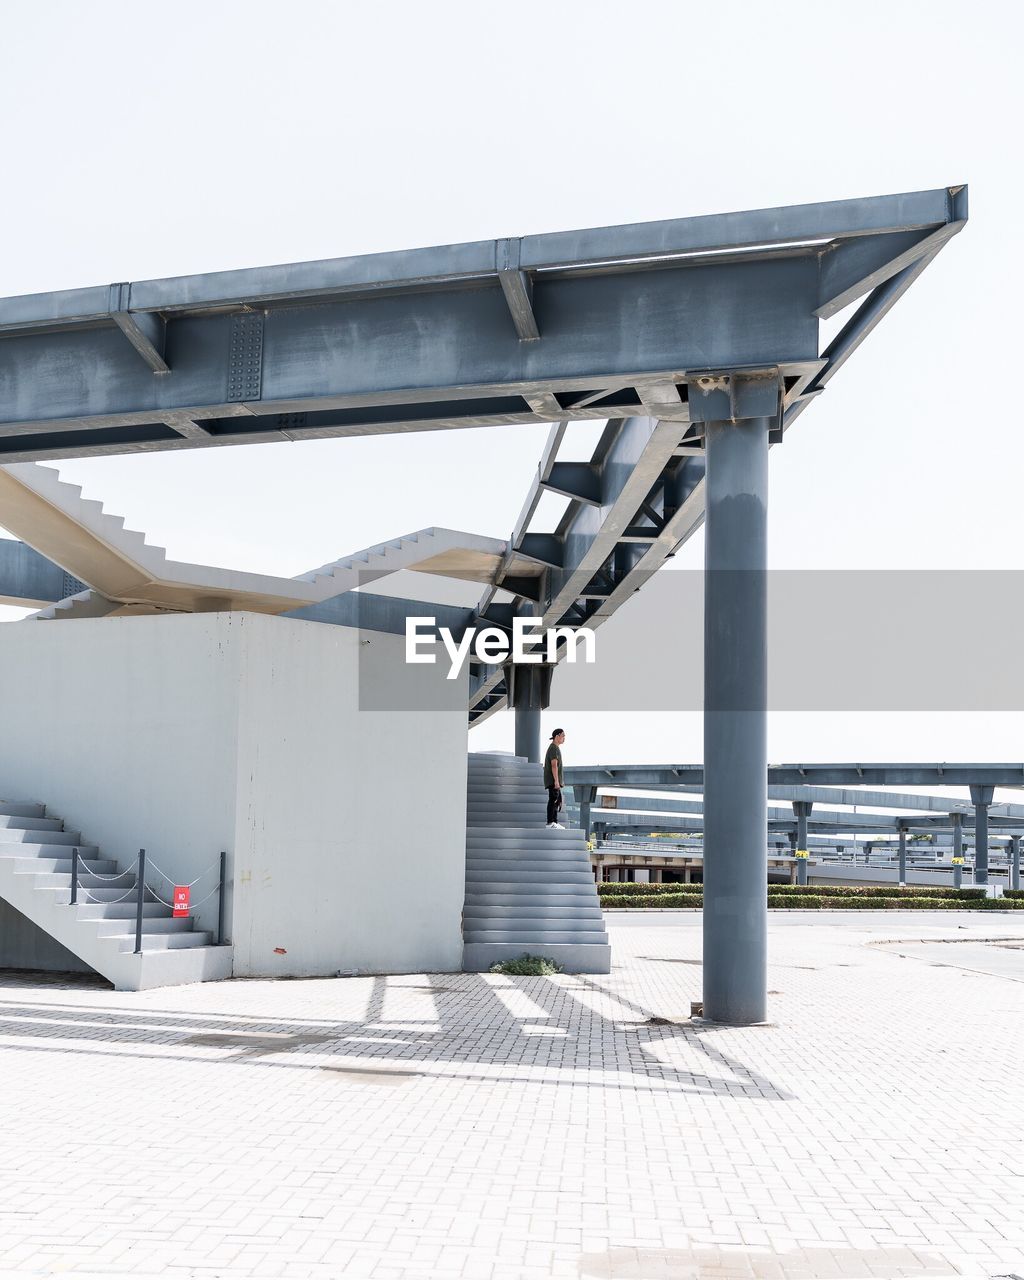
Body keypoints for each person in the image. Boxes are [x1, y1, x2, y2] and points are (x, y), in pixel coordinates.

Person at [544, 728, 566, 828]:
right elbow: (554, 765)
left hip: (555, 780)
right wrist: (556, 781)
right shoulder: (554, 748)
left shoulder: (555, 748)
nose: (564, 738)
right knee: (553, 800)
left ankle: (554, 822)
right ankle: (550, 822)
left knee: (557, 800)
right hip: (553, 780)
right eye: (563, 736)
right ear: (557, 736)